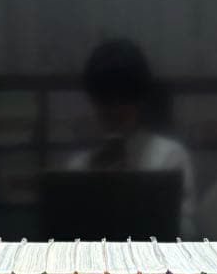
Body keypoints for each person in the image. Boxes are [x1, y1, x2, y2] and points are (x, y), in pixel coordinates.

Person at [70, 39, 196, 237]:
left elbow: (186, 230)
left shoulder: (170, 157)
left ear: (140, 99)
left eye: (125, 96)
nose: (115, 108)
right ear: (94, 101)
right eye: (104, 97)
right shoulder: (77, 168)